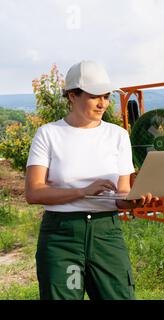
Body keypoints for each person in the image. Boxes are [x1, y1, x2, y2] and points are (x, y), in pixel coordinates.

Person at [25, 60, 154, 300]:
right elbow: (33, 192)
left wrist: (136, 200)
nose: (103, 103)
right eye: (95, 96)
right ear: (72, 96)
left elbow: (121, 196)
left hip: (106, 233)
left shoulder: (118, 136)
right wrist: (84, 191)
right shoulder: (49, 134)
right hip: (61, 234)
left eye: (106, 96)